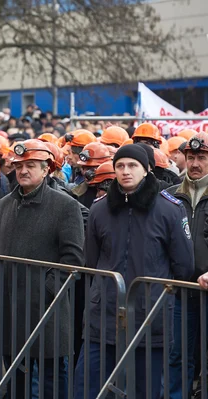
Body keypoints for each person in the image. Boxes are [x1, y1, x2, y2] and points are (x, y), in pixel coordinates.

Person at [75, 144, 194, 399]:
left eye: (132, 165)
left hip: (150, 317)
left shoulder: (170, 210)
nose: (125, 171)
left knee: (146, 389)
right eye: (120, 166)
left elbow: (184, 265)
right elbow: (91, 260)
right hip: (103, 316)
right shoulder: (99, 209)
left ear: (147, 170)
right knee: (88, 387)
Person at [0, 139, 84, 399]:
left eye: (31, 165)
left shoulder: (66, 206)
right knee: (16, 379)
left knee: (53, 380)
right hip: (9, 308)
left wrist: (47, 288)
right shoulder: (4, 204)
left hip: (47, 309)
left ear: (46, 170)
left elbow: (73, 259)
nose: (23, 171)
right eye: (19, 165)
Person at [167, 131, 208, 399]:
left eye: (201, 157)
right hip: (180, 291)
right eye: (190, 156)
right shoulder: (169, 196)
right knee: (178, 356)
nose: (194, 163)